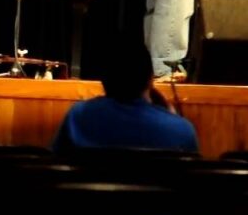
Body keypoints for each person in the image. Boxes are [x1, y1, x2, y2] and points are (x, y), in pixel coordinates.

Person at [51, 42, 199, 153]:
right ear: (150, 79)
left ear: (103, 81)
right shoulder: (181, 129)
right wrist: (171, 117)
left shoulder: (78, 116)